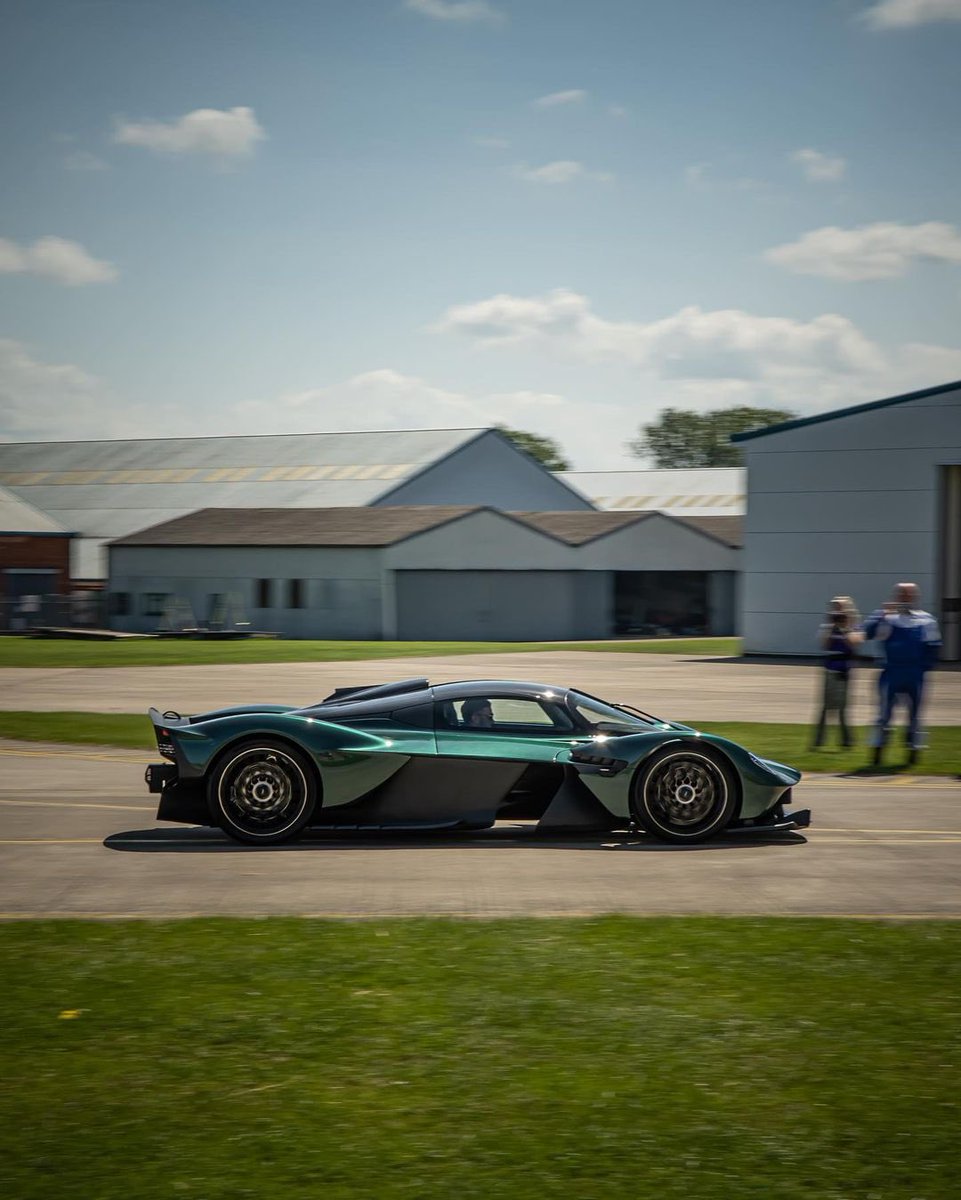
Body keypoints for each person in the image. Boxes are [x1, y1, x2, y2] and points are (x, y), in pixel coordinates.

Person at [862, 582, 941, 767]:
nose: (905, 597)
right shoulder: (888, 618)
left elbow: (934, 646)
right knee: (883, 715)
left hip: (915, 673)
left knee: (915, 716)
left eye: (909, 594)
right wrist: (881, 613)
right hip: (892, 671)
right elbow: (867, 632)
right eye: (902, 594)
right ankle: (877, 753)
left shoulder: (926, 620)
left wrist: (924, 667)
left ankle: (913, 751)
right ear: (896, 596)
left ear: (915, 597)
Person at [812, 596, 861, 750]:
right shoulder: (829, 626)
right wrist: (831, 625)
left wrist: (845, 626)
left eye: (840, 607)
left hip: (843, 672)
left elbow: (854, 643)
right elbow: (824, 644)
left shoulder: (853, 626)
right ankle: (818, 741)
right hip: (829, 669)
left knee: (842, 708)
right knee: (825, 707)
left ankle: (847, 741)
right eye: (834, 607)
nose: (837, 610)